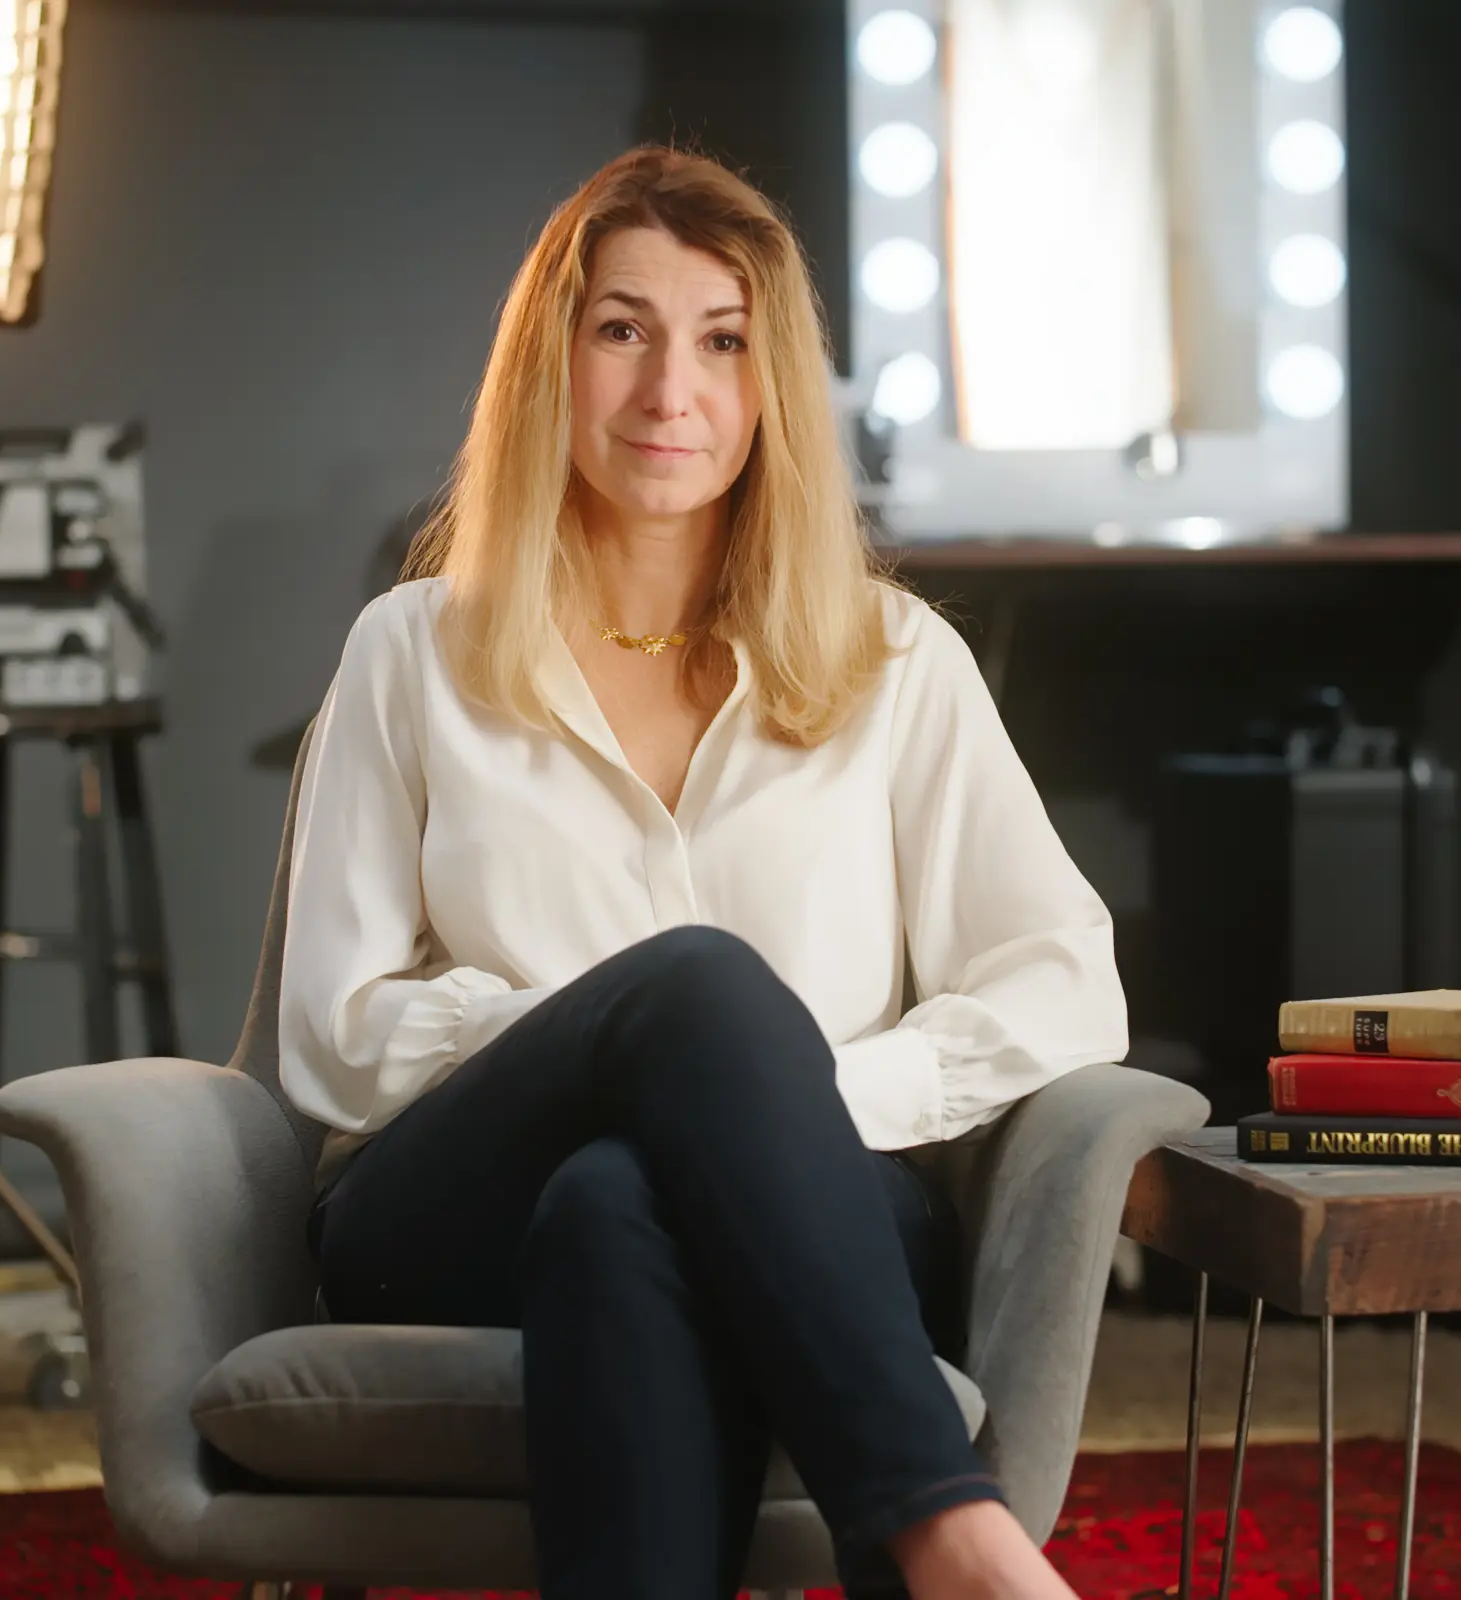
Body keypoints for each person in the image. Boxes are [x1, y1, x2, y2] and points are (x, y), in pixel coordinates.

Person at [279, 146, 1127, 1600]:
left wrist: (781, 1102)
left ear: (771, 383)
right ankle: (948, 1533)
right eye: (623, 330)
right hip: (444, 1212)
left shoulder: (897, 661)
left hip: (816, 1207)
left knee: (621, 1198)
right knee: (693, 992)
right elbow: (334, 1034)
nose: (671, 390)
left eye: (723, 342)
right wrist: (625, 1046)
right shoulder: (411, 651)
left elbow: (1063, 980)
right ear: (549, 366)